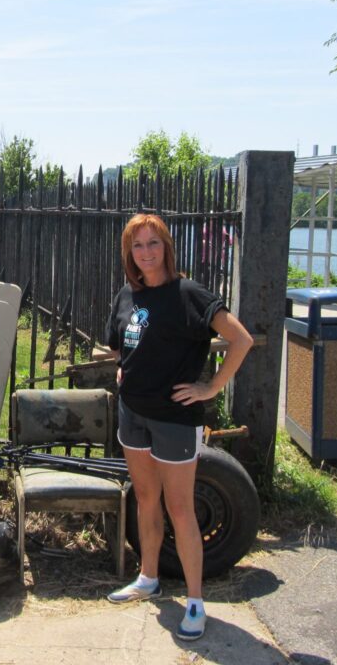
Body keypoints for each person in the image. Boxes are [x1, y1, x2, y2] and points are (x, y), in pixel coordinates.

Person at [104, 213, 253, 641]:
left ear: (166, 246)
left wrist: (211, 387)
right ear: (129, 253)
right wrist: (122, 371)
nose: (145, 253)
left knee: (180, 509)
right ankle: (148, 577)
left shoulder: (188, 293)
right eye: (137, 246)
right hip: (134, 414)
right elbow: (122, 346)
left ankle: (194, 601)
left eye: (153, 244)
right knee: (146, 500)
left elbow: (240, 339)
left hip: (174, 419)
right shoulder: (128, 295)